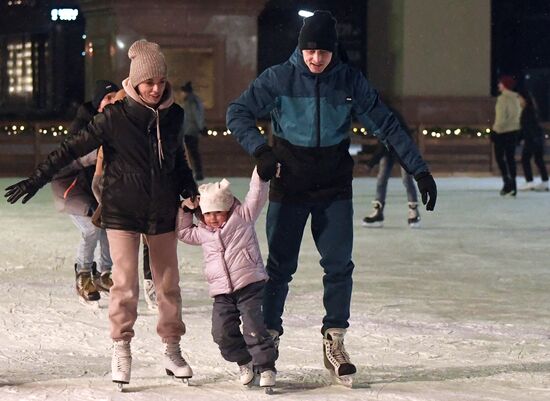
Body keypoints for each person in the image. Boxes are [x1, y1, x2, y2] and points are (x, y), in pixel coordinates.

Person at [226, 10, 437, 385]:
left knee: (339, 266)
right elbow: (237, 113)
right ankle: (267, 341)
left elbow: (387, 124)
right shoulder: (279, 78)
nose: (316, 58)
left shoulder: (349, 81)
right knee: (279, 269)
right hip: (289, 184)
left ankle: (334, 340)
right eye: (309, 50)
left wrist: (418, 168)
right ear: (300, 47)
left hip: (334, 187)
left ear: (333, 50)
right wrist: (261, 150)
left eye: (323, 51)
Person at [4, 39, 197, 390]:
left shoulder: (175, 117)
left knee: (168, 286)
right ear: (135, 82)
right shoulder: (114, 118)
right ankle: (121, 348)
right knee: (124, 284)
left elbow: (178, 162)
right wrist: (37, 178)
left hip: (162, 211)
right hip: (122, 210)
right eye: (148, 82)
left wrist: (190, 191)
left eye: (160, 82)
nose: (155, 88)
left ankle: (172, 349)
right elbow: (70, 147)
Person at [176, 168, 277, 390]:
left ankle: (266, 366)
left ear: (229, 208)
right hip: (222, 292)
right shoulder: (202, 231)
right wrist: (184, 209)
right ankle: (244, 361)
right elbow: (183, 232)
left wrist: (260, 173)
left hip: (248, 284)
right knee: (220, 332)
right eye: (208, 214)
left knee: (253, 326)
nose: (212, 218)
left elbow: (256, 194)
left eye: (218, 213)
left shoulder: (242, 217)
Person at [51, 80, 118, 304]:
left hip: (100, 190)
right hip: (73, 189)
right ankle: (84, 275)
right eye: (107, 98)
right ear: (99, 102)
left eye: (115, 98)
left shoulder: (117, 125)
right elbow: (67, 162)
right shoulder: (81, 127)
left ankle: (105, 273)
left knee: (110, 226)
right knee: (91, 228)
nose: (111, 103)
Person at [92, 88, 159, 312]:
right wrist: (107, 201)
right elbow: (97, 180)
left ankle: (151, 284)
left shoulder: (155, 129)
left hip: (151, 199)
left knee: (152, 244)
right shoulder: (110, 136)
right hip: (122, 203)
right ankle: (124, 296)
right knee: (125, 256)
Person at [362, 107, 420, 228]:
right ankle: (378, 213)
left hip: (404, 147)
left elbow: (386, 142)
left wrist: (370, 164)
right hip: (388, 148)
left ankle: (413, 211)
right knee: (381, 179)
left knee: (407, 180)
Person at [491, 75, 522, 196]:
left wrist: (495, 130)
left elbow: (500, 118)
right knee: (510, 158)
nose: (498, 85)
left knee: (500, 157)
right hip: (514, 131)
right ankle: (513, 184)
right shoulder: (516, 98)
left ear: (505, 85)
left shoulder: (503, 99)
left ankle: (507, 181)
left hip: (502, 132)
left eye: (500, 83)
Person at [517, 89, 549, 191]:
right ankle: (545, 182)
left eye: (519, 98)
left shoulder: (527, 112)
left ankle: (529, 181)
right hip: (537, 139)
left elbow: (526, 128)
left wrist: (521, 139)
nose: (518, 101)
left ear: (525, 99)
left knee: (525, 159)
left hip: (532, 140)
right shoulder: (532, 110)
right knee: (538, 160)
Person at [180, 81, 205, 181]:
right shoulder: (191, 100)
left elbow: (196, 115)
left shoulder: (191, 101)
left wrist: (201, 127)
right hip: (189, 130)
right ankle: (196, 173)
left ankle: (197, 173)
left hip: (190, 131)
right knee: (192, 153)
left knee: (192, 153)